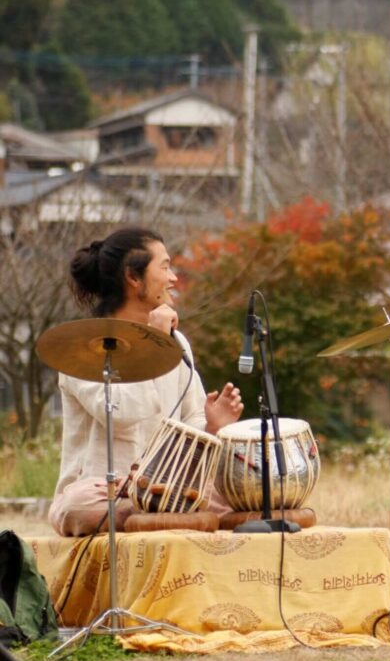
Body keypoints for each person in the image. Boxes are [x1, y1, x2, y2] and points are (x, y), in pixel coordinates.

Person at [48, 228, 244, 536]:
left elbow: (188, 421)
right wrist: (151, 342)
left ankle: (162, 513)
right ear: (133, 277)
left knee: (240, 494)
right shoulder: (82, 346)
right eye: (164, 267)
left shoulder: (176, 342)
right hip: (103, 493)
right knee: (77, 506)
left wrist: (211, 426)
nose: (173, 278)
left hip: (167, 487)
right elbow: (122, 415)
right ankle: (163, 515)